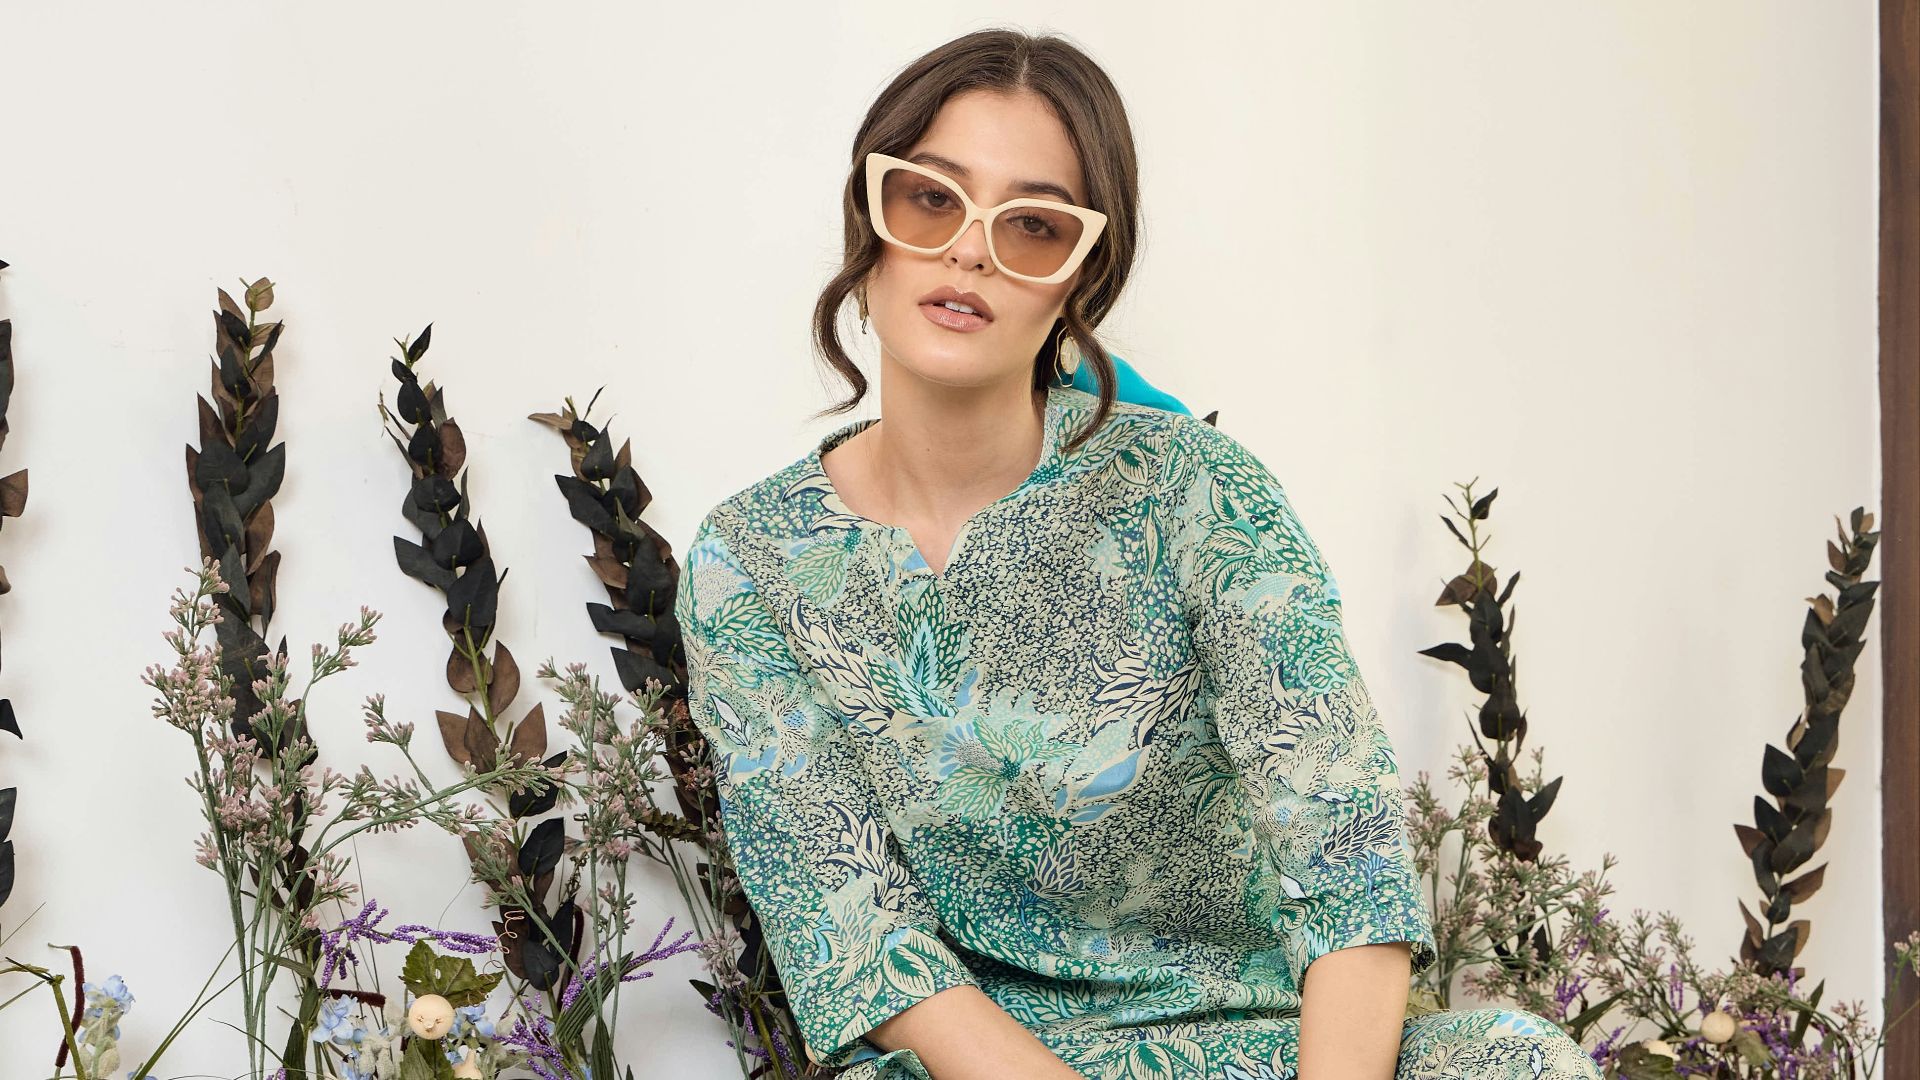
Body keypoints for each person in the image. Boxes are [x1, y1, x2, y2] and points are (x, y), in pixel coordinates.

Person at [673, 27, 1603, 1080]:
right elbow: (860, 937)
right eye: (931, 198)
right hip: (981, 1073)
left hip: (1263, 1051)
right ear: (869, 217)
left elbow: (1347, 856)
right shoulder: (746, 562)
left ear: (1081, 273)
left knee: (1515, 1062)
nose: (969, 251)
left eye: (1032, 225)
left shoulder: (1198, 491)